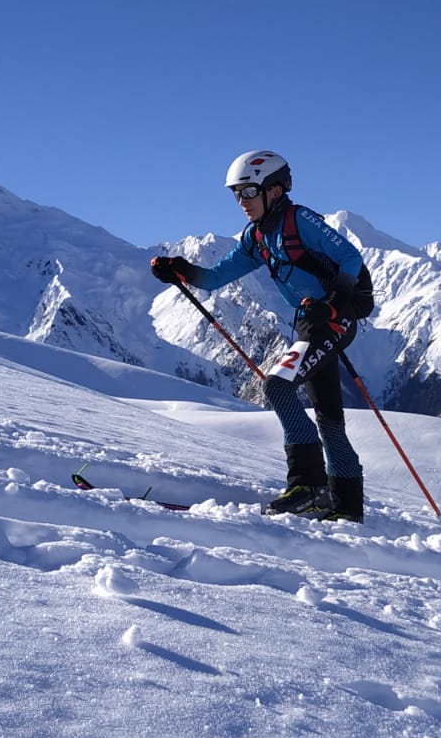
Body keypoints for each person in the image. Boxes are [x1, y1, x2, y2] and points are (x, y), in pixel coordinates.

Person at [150, 150, 375, 522]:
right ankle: (348, 509)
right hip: (310, 321)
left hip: (336, 318)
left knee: (277, 385)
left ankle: (310, 488)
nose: (242, 201)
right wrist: (181, 270)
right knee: (328, 418)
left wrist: (335, 303)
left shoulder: (299, 220)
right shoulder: (257, 237)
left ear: (275, 190)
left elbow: (351, 257)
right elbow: (215, 278)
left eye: (249, 192)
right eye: (236, 194)